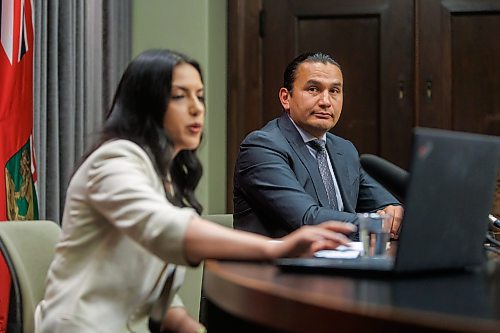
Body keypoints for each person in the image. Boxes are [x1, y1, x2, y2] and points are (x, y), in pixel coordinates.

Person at [34, 49, 356, 333]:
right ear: (145, 103)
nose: (196, 108)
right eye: (179, 96)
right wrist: (276, 248)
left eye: (199, 96)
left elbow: (148, 275)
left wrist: (188, 325)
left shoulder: (162, 174)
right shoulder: (115, 160)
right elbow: (164, 228)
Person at [233, 52, 404, 239]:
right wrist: (374, 224)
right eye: (313, 89)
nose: (325, 102)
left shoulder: (344, 150)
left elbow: (386, 207)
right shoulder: (262, 147)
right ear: (285, 98)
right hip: (277, 266)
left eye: (334, 91)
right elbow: (307, 219)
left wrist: (393, 214)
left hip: (340, 264)